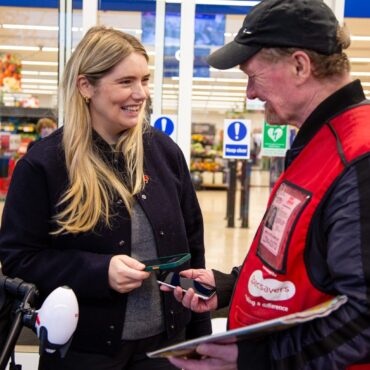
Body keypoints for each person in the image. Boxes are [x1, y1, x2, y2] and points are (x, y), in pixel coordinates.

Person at [163, 0, 370, 369]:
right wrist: (231, 286)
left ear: (300, 65)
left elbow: (363, 318)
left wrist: (259, 357)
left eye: (252, 76)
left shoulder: (358, 157)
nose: (250, 94)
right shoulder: (316, 142)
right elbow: (301, 259)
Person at [0, 26, 211, 370]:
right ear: (86, 86)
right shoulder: (45, 164)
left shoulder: (163, 152)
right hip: (84, 352)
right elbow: (18, 258)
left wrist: (198, 340)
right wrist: (99, 271)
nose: (141, 93)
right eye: (126, 82)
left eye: (144, 80)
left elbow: (192, 248)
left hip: (166, 349)